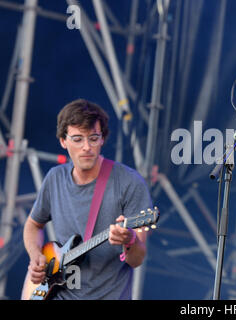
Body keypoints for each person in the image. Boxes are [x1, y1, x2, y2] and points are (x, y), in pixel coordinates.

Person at [23, 99, 153, 299]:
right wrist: (36, 258)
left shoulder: (129, 182)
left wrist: (130, 240)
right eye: (77, 139)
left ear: (102, 139)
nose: (86, 147)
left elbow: (136, 259)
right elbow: (32, 225)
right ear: (63, 141)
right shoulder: (55, 178)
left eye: (93, 138)